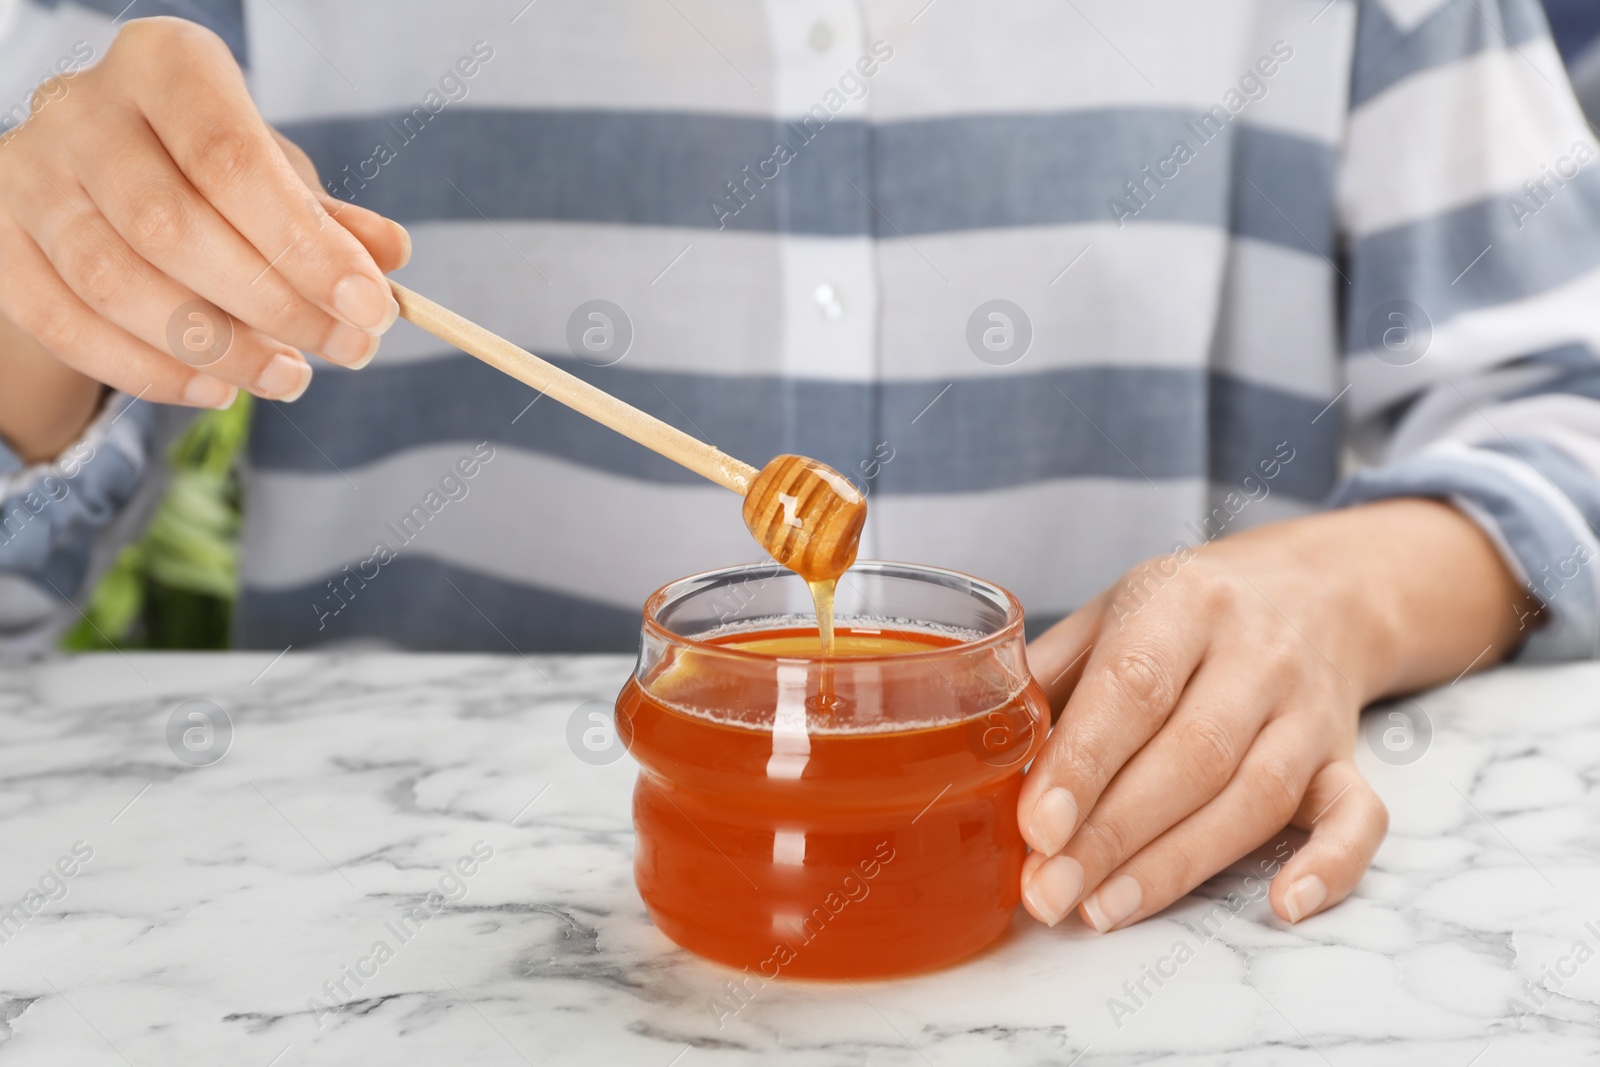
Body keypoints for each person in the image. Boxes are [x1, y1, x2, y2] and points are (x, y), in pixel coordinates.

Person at [2, 0, 1598, 936]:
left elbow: (1568, 400)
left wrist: (1341, 595)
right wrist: (38, 272)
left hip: (1105, 930)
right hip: (386, 940)